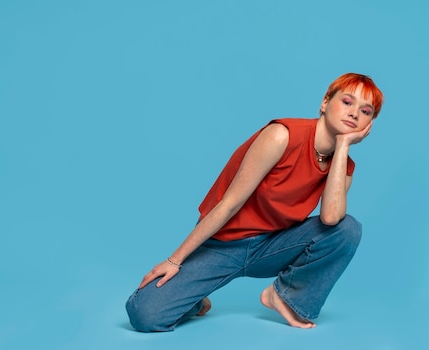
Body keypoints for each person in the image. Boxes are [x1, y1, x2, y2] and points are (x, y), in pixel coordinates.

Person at [125, 73, 384, 332]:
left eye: (365, 111)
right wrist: (174, 260)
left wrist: (343, 146)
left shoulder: (344, 165)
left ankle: (284, 298)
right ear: (325, 103)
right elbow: (229, 204)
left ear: (369, 124)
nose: (354, 114)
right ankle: (194, 300)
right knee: (144, 315)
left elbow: (331, 219)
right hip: (222, 244)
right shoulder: (282, 135)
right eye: (347, 102)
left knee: (348, 228)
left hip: (272, 246)